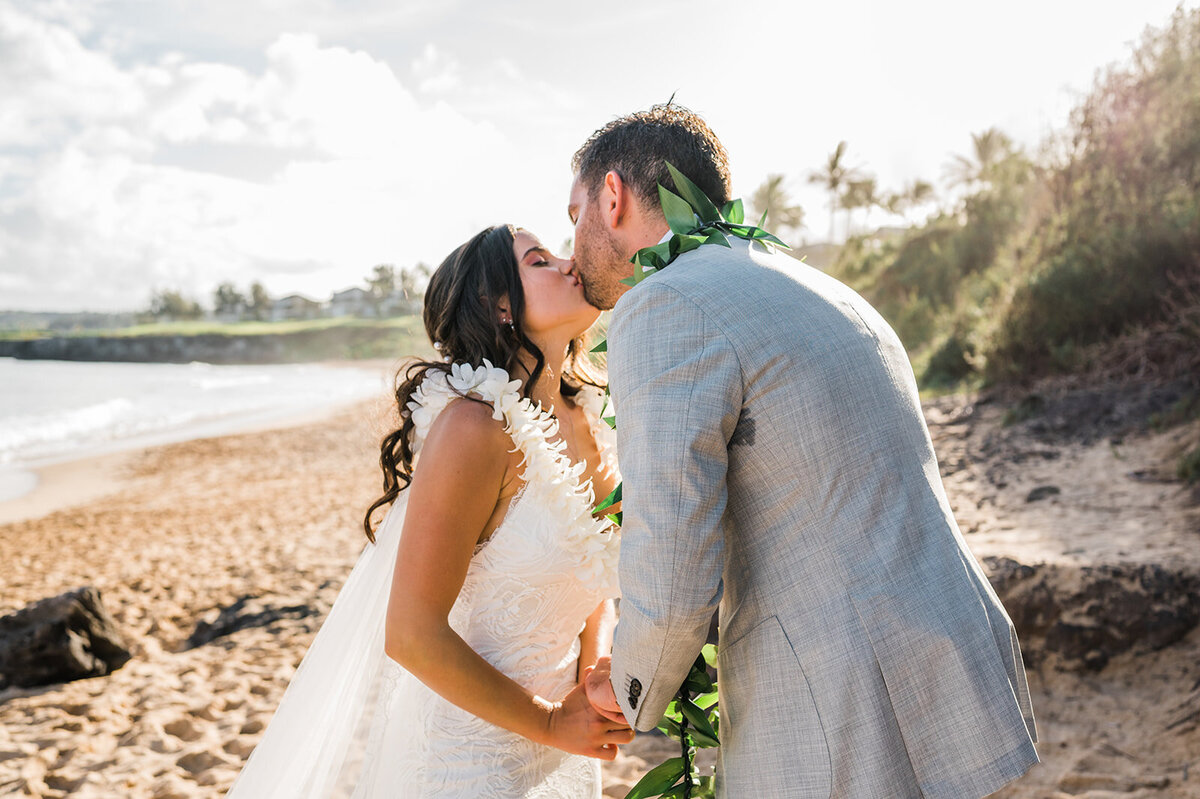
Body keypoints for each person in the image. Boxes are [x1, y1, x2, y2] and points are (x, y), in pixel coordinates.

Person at [574, 104, 1039, 798]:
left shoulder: (664, 304)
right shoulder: (819, 285)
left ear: (613, 198)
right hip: (954, 666)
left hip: (839, 707)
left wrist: (633, 681)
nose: (571, 237)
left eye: (574, 209)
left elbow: (672, 558)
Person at [226, 224, 631, 799]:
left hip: (566, 751)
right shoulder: (474, 428)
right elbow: (411, 634)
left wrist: (597, 673)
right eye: (540, 261)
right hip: (463, 763)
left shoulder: (591, 417)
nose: (569, 264)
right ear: (499, 307)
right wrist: (546, 720)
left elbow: (595, 580)